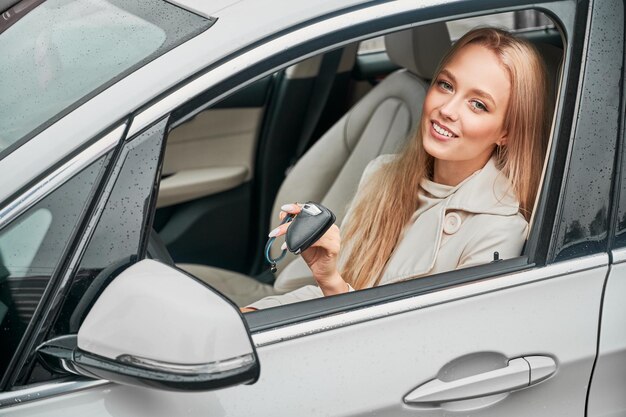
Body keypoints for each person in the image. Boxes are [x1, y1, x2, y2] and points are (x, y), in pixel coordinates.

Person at [243, 27, 550, 311]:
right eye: (445, 85)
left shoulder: (497, 232)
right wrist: (254, 315)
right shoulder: (382, 174)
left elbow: (417, 349)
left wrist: (331, 281)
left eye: (478, 105)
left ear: (506, 132)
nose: (447, 110)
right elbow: (335, 291)